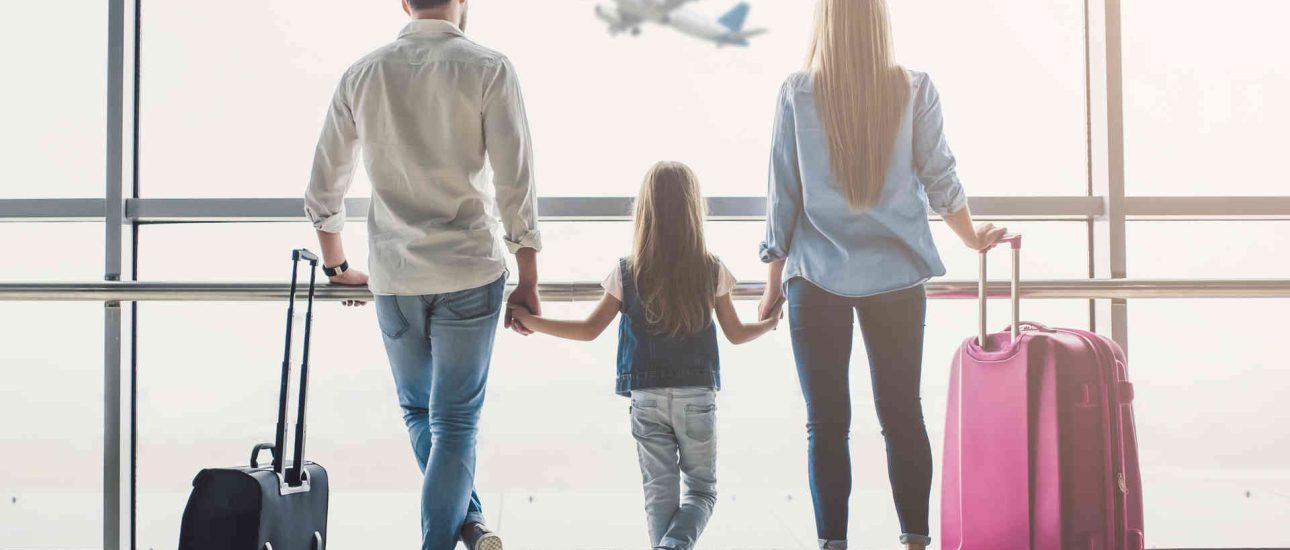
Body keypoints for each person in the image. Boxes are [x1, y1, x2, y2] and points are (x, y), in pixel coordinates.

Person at [755, 1, 1007, 549]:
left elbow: (783, 197)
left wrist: (773, 285)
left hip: (814, 278)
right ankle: (915, 542)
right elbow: (940, 175)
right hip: (896, 277)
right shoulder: (914, 88)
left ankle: (832, 545)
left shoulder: (797, 92)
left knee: (825, 423)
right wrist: (969, 237)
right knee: (901, 413)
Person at [303, 0, 542, 548]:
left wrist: (338, 264)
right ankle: (461, 528)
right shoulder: (489, 68)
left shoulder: (362, 74)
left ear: (405, 3)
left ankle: (471, 522)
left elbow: (323, 189)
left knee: (420, 412)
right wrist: (528, 277)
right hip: (468, 271)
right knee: (454, 424)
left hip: (394, 276)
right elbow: (515, 185)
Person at [509, 161, 782, 550]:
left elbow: (588, 330)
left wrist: (532, 322)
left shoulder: (628, 270)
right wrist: (770, 324)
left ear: (645, 211)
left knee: (659, 497)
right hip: (696, 399)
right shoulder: (710, 268)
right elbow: (736, 334)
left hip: (647, 398)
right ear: (693, 211)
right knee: (702, 493)